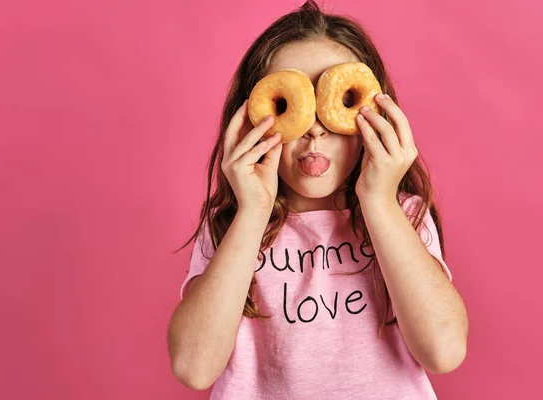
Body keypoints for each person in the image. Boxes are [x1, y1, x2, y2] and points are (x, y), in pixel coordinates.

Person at [167, 1, 469, 398]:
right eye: (288, 106)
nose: (314, 131)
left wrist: (378, 201)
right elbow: (193, 367)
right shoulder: (231, 226)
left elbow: (444, 351)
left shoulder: (403, 215)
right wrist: (254, 212)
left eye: (338, 104)